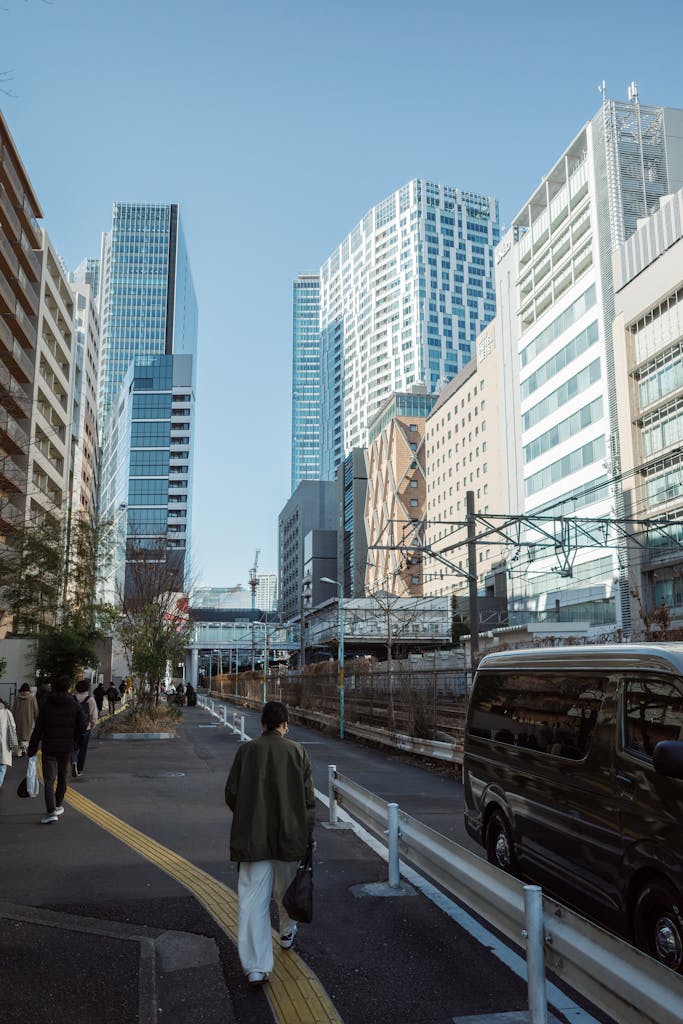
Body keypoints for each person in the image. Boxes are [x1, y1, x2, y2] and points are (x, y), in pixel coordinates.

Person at [225, 700, 315, 988]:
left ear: (262, 724)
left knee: (252, 902)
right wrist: (308, 837)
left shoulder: (246, 751)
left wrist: (250, 815)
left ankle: (256, 967)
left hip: (253, 840)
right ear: (284, 725)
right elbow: (309, 802)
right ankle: (287, 931)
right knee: (286, 891)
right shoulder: (298, 752)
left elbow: (232, 794)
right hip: (291, 839)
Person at [26, 676, 86, 824]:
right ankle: (58, 805)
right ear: (68, 688)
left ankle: (51, 811)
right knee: (62, 777)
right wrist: (74, 738)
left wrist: (32, 747)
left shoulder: (47, 705)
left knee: (48, 780)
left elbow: (38, 728)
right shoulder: (74, 704)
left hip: (49, 747)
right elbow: (83, 724)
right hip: (66, 747)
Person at [71, 680, 98, 777]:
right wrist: (92, 725)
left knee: (73, 747)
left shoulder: (72, 698)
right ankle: (79, 769)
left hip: (73, 728)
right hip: (85, 728)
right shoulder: (90, 700)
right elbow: (94, 715)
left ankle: (73, 761)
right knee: (82, 749)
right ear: (87, 688)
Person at [12, 683, 39, 756]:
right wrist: (37, 720)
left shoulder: (17, 698)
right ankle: (24, 747)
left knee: (19, 735)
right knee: (27, 735)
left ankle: (20, 749)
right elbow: (36, 710)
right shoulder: (32, 698)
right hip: (28, 719)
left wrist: (12, 719)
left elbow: (14, 709)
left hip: (18, 719)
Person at [0, 698, 18, 789]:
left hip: (3, 742)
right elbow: (13, 726)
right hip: (4, 742)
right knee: (2, 764)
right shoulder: (7, 712)